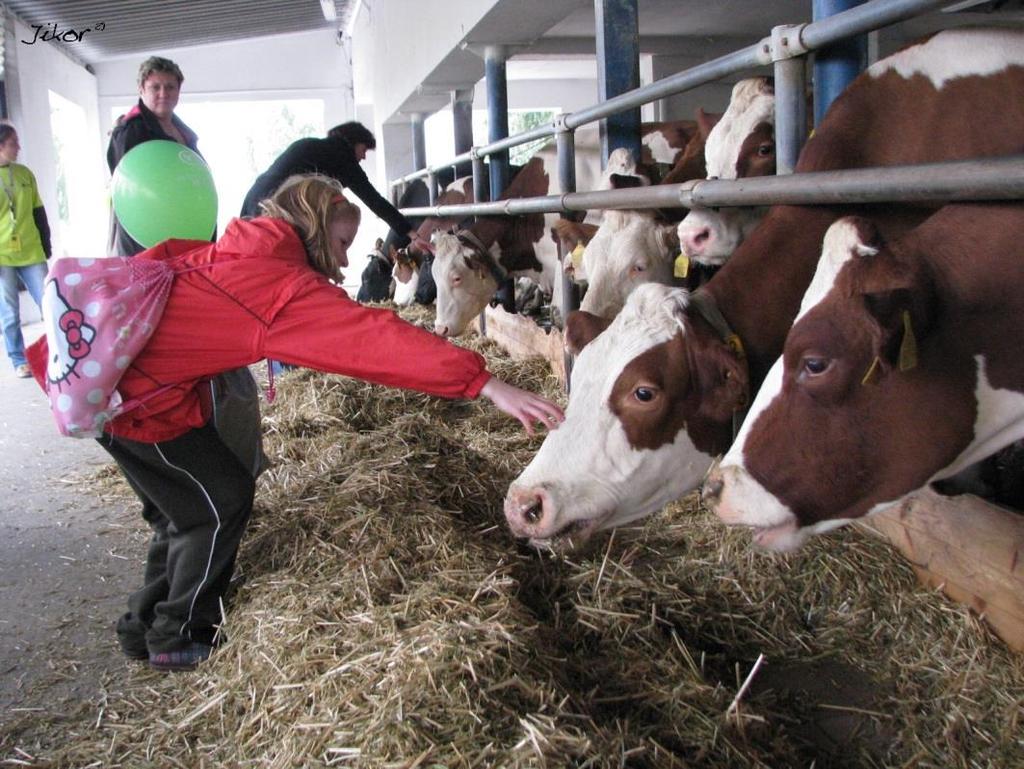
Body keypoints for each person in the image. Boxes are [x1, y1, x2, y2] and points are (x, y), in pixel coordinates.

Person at [28, 174, 564, 673]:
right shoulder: (274, 286)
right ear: (314, 223)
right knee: (217, 504)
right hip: (139, 403)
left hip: (118, 384)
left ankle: (141, 624)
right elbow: (371, 339)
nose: (348, 255)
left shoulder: (241, 249)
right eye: (343, 239)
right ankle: (177, 634)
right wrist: (484, 382)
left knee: (182, 508)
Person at [240, 121, 431, 254]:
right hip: (273, 207)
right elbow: (374, 200)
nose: (363, 157)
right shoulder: (341, 156)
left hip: (255, 198)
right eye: (364, 150)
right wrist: (412, 233)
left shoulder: (318, 148)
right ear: (354, 142)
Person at [106, 56, 203, 256]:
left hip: (180, 231)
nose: (163, 93)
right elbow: (129, 188)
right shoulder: (130, 130)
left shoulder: (184, 132)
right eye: (155, 87)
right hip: (144, 241)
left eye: (170, 87)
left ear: (179, 91)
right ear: (141, 89)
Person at [0, 124, 51, 378]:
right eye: (13, 142)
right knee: (9, 312)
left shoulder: (24, 174)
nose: (18, 147)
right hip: (2, 255)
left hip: (31, 251)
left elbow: (38, 211)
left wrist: (46, 243)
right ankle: (19, 359)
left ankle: (58, 353)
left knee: (50, 303)